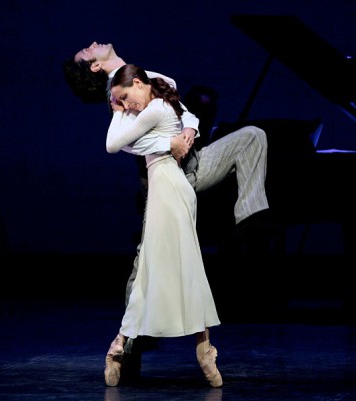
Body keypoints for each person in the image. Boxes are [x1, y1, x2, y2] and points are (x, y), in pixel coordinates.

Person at [62, 41, 272, 378]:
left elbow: (181, 109)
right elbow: (127, 142)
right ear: (95, 67)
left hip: (191, 163)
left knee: (252, 136)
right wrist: (167, 143)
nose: (92, 45)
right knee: (146, 266)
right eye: (86, 52)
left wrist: (189, 128)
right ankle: (128, 349)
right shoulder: (119, 91)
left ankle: (250, 217)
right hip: (164, 176)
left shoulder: (138, 76)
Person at [103, 63, 223, 388]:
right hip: (164, 189)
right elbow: (135, 144)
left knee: (180, 269)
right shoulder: (157, 102)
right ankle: (199, 349)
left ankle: (201, 349)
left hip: (169, 189)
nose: (126, 105)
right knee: (154, 272)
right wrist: (120, 92)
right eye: (121, 101)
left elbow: (113, 145)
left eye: (126, 97)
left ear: (140, 83)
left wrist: (116, 110)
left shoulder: (155, 108)